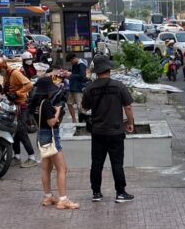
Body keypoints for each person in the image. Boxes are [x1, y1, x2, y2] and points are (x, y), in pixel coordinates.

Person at [81, 58, 136, 203]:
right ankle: (120, 193)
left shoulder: (90, 88)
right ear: (109, 70)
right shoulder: (119, 86)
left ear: (97, 72)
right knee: (117, 163)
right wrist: (130, 122)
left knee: (96, 163)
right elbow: (128, 107)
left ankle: (96, 193)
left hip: (98, 132)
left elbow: (85, 108)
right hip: (116, 132)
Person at [35, 78, 79, 210]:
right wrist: (58, 111)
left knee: (46, 168)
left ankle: (48, 196)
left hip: (41, 135)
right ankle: (63, 199)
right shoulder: (46, 103)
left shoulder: (35, 102)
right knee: (62, 168)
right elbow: (52, 122)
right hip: (51, 137)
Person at [0, 56, 39, 166]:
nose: (0, 73)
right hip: (13, 106)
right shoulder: (6, 75)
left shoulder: (15, 73)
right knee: (14, 131)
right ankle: (17, 156)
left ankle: (32, 158)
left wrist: (17, 93)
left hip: (21, 107)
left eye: (0, 71)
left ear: (4, 66)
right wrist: (1, 90)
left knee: (21, 132)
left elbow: (29, 85)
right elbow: (9, 90)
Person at [66, 53, 88, 123]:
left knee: (80, 107)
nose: (71, 63)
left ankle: (85, 121)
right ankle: (74, 120)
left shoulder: (81, 64)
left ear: (74, 58)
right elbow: (74, 74)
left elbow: (82, 77)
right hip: (73, 88)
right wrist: (69, 74)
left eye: (71, 61)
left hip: (78, 88)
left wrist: (71, 75)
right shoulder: (75, 64)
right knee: (69, 103)